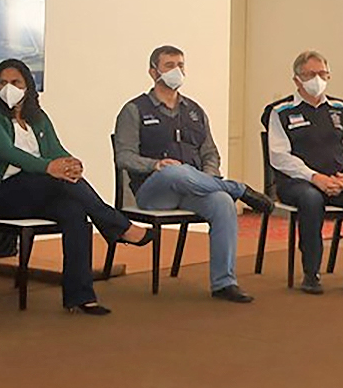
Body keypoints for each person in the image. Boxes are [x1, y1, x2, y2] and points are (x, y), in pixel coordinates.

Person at [0, 59, 154, 315]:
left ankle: (81, 297)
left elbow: (56, 150)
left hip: (38, 192)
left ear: (27, 86)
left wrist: (71, 163)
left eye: (16, 82)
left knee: (74, 211)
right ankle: (118, 225)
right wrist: (50, 168)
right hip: (2, 193)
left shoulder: (37, 117)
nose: (9, 87)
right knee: (57, 181)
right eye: (3, 83)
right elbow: (8, 153)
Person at [113, 45, 274, 303]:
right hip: (154, 192)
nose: (176, 70)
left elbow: (210, 153)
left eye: (180, 65)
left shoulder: (195, 111)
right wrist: (155, 165)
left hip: (192, 189)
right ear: (153, 72)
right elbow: (124, 156)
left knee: (222, 202)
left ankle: (224, 283)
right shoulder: (134, 110)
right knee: (173, 171)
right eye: (169, 65)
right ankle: (238, 189)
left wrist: (209, 176)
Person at [264, 50, 343, 295]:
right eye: (310, 74)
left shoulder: (341, 109)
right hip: (298, 183)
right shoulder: (280, 111)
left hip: (338, 181)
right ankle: (311, 273)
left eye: (322, 74)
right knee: (311, 200)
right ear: (297, 79)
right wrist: (314, 177)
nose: (317, 79)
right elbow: (279, 156)